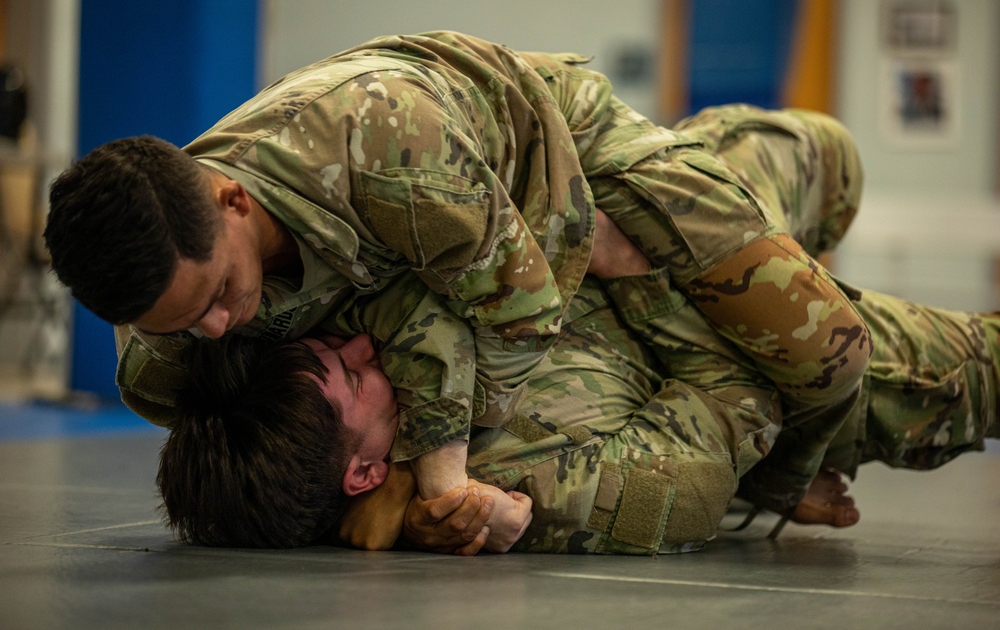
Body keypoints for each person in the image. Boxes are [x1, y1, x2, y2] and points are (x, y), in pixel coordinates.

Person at [45, 31, 870, 525]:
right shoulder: (157, 344)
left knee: (831, 353)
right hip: (460, 237)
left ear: (232, 200)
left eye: (219, 297)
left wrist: (427, 469)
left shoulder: (385, 145)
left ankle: (780, 481)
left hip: (557, 148)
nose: (219, 332)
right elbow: (394, 317)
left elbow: (522, 312)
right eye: (182, 323)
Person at [156, 267, 999, 555]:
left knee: (827, 151)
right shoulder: (535, 482)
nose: (367, 344)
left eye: (340, 342)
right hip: (760, 333)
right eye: (351, 372)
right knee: (983, 371)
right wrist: (630, 268)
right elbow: (739, 402)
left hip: (658, 221)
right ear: (362, 470)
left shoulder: (302, 350)